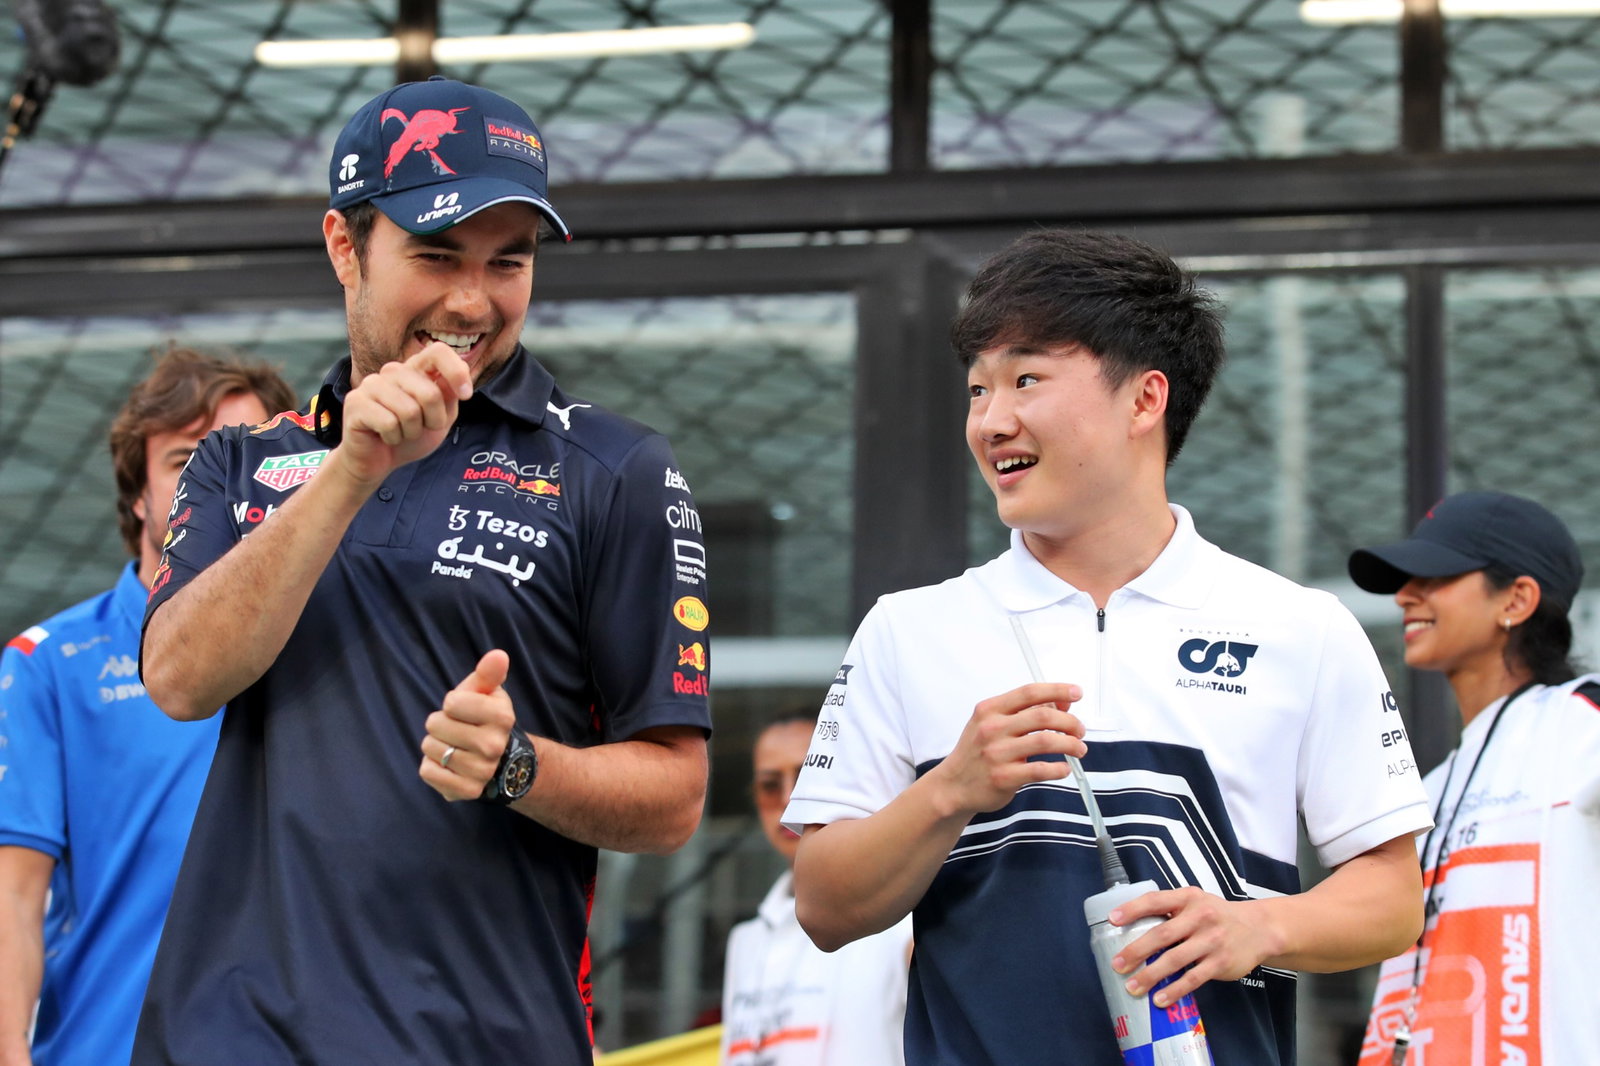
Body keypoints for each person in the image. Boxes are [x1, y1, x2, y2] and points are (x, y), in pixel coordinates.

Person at [129, 78, 711, 1066]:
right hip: (229, 1039)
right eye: (437, 255)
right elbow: (180, 676)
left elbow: (675, 797)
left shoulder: (615, 472)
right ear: (344, 248)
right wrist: (351, 469)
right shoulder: (240, 462)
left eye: (508, 262)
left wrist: (517, 765)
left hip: (478, 1040)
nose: (471, 301)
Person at [782, 229, 1435, 1065]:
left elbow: (1391, 897)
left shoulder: (1298, 628)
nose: (991, 420)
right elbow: (825, 906)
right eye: (977, 390)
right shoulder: (909, 629)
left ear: (1144, 400)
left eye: (1026, 379)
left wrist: (1257, 925)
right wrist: (949, 790)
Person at [0, 346, 294, 1066]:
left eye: (245, 456)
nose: (220, 480)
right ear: (137, 493)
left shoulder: (339, 647)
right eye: (189, 458)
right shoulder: (48, 666)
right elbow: (11, 903)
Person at [1349, 491, 1600, 1066]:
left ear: (1517, 598)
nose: (1405, 595)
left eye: (1436, 576)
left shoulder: (1582, 726)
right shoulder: (1430, 787)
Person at [720, 711, 912, 1066]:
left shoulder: (905, 918)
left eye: (807, 774)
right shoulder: (746, 942)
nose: (790, 797)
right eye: (769, 785)